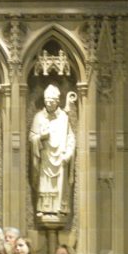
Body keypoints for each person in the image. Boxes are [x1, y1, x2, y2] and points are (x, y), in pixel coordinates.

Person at [29, 84, 76, 219]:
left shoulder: (64, 118)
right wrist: (41, 137)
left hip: (60, 158)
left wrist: (68, 154)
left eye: (52, 101)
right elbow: (32, 137)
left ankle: (60, 208)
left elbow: (71, 138)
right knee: (45, 182)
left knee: (60, 184)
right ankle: (44, 208)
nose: (49, 103)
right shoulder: (39, 117)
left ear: (58, 101)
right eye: (47, 100)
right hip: (45, 157)